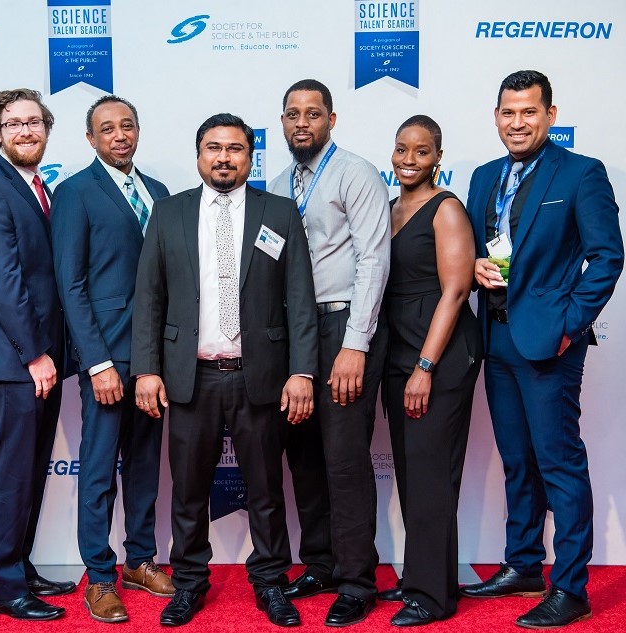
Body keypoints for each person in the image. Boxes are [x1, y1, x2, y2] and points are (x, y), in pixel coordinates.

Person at [132, 113, 318, 627]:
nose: (224, 157)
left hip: (259, 375)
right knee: (189, 493)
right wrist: (146, 369)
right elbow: (148, 298)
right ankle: (189, 583)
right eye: (213, 147)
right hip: (190, 378)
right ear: (198, 155)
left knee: (265, 490)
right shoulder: (168, 213)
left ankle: (270, 582)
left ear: (250, 156)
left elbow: (299, 297)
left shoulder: (277, 212)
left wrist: (302, 372)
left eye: (235, 148)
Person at [460, 70, 624, 629]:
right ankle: (523, 563)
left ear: (551, 115)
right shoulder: (483, 177)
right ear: (497, 116)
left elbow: (606, 258)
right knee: (517, 461)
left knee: (558, 461)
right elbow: (481, 249)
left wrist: (569, 325)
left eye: (529, 112)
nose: (518, 122)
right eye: (508, 112)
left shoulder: (581, 173)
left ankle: (571, 586)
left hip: (548, 342)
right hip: (495, 337)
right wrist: (475, 266)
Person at [267, 79, 390, 627]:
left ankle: (358, 580)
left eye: (312, 114)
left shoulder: (355, 174)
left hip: (342, 325)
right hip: (295, 333)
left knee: (343, 459)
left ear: (331, 120)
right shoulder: (277, 182)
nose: (301, 124)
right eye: (292, 114)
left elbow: (373, 263)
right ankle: (320, 561)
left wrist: (354, 345)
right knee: (305, 456)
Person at [51, 95, 173, 624]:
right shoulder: (75, 192)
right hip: (107, 355)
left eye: (127, 126)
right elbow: (70, 285)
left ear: (138, 131)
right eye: (107, 128)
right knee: (99, 470)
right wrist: (96, 362)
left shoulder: (161, 194)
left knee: (145, 465)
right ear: (90, 138)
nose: (119, 135)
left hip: (156, 357)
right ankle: (99, 575)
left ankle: (139, 559)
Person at [0, 88, 75, 621]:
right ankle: (4, 588)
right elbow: (3, 282)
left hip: (39, 356)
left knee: (31, 470)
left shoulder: (36, 187)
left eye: (34, 122)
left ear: (46, 129)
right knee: (10, 473)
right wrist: (35, 354)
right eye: (14, 124)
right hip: (13, 360)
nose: (26, 131)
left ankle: (20, 566)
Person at [377, 115, 483, 627]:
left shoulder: (447, 209)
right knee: (416, 474)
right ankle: (431, 579)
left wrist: (425, 366)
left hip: (439, 356)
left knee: (432, 475)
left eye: (421, 151)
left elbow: (457, 291)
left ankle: (430, 597)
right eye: (401, 149)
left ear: (438, 157)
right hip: (398, 353)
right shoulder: (391, 207)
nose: (408, 159)